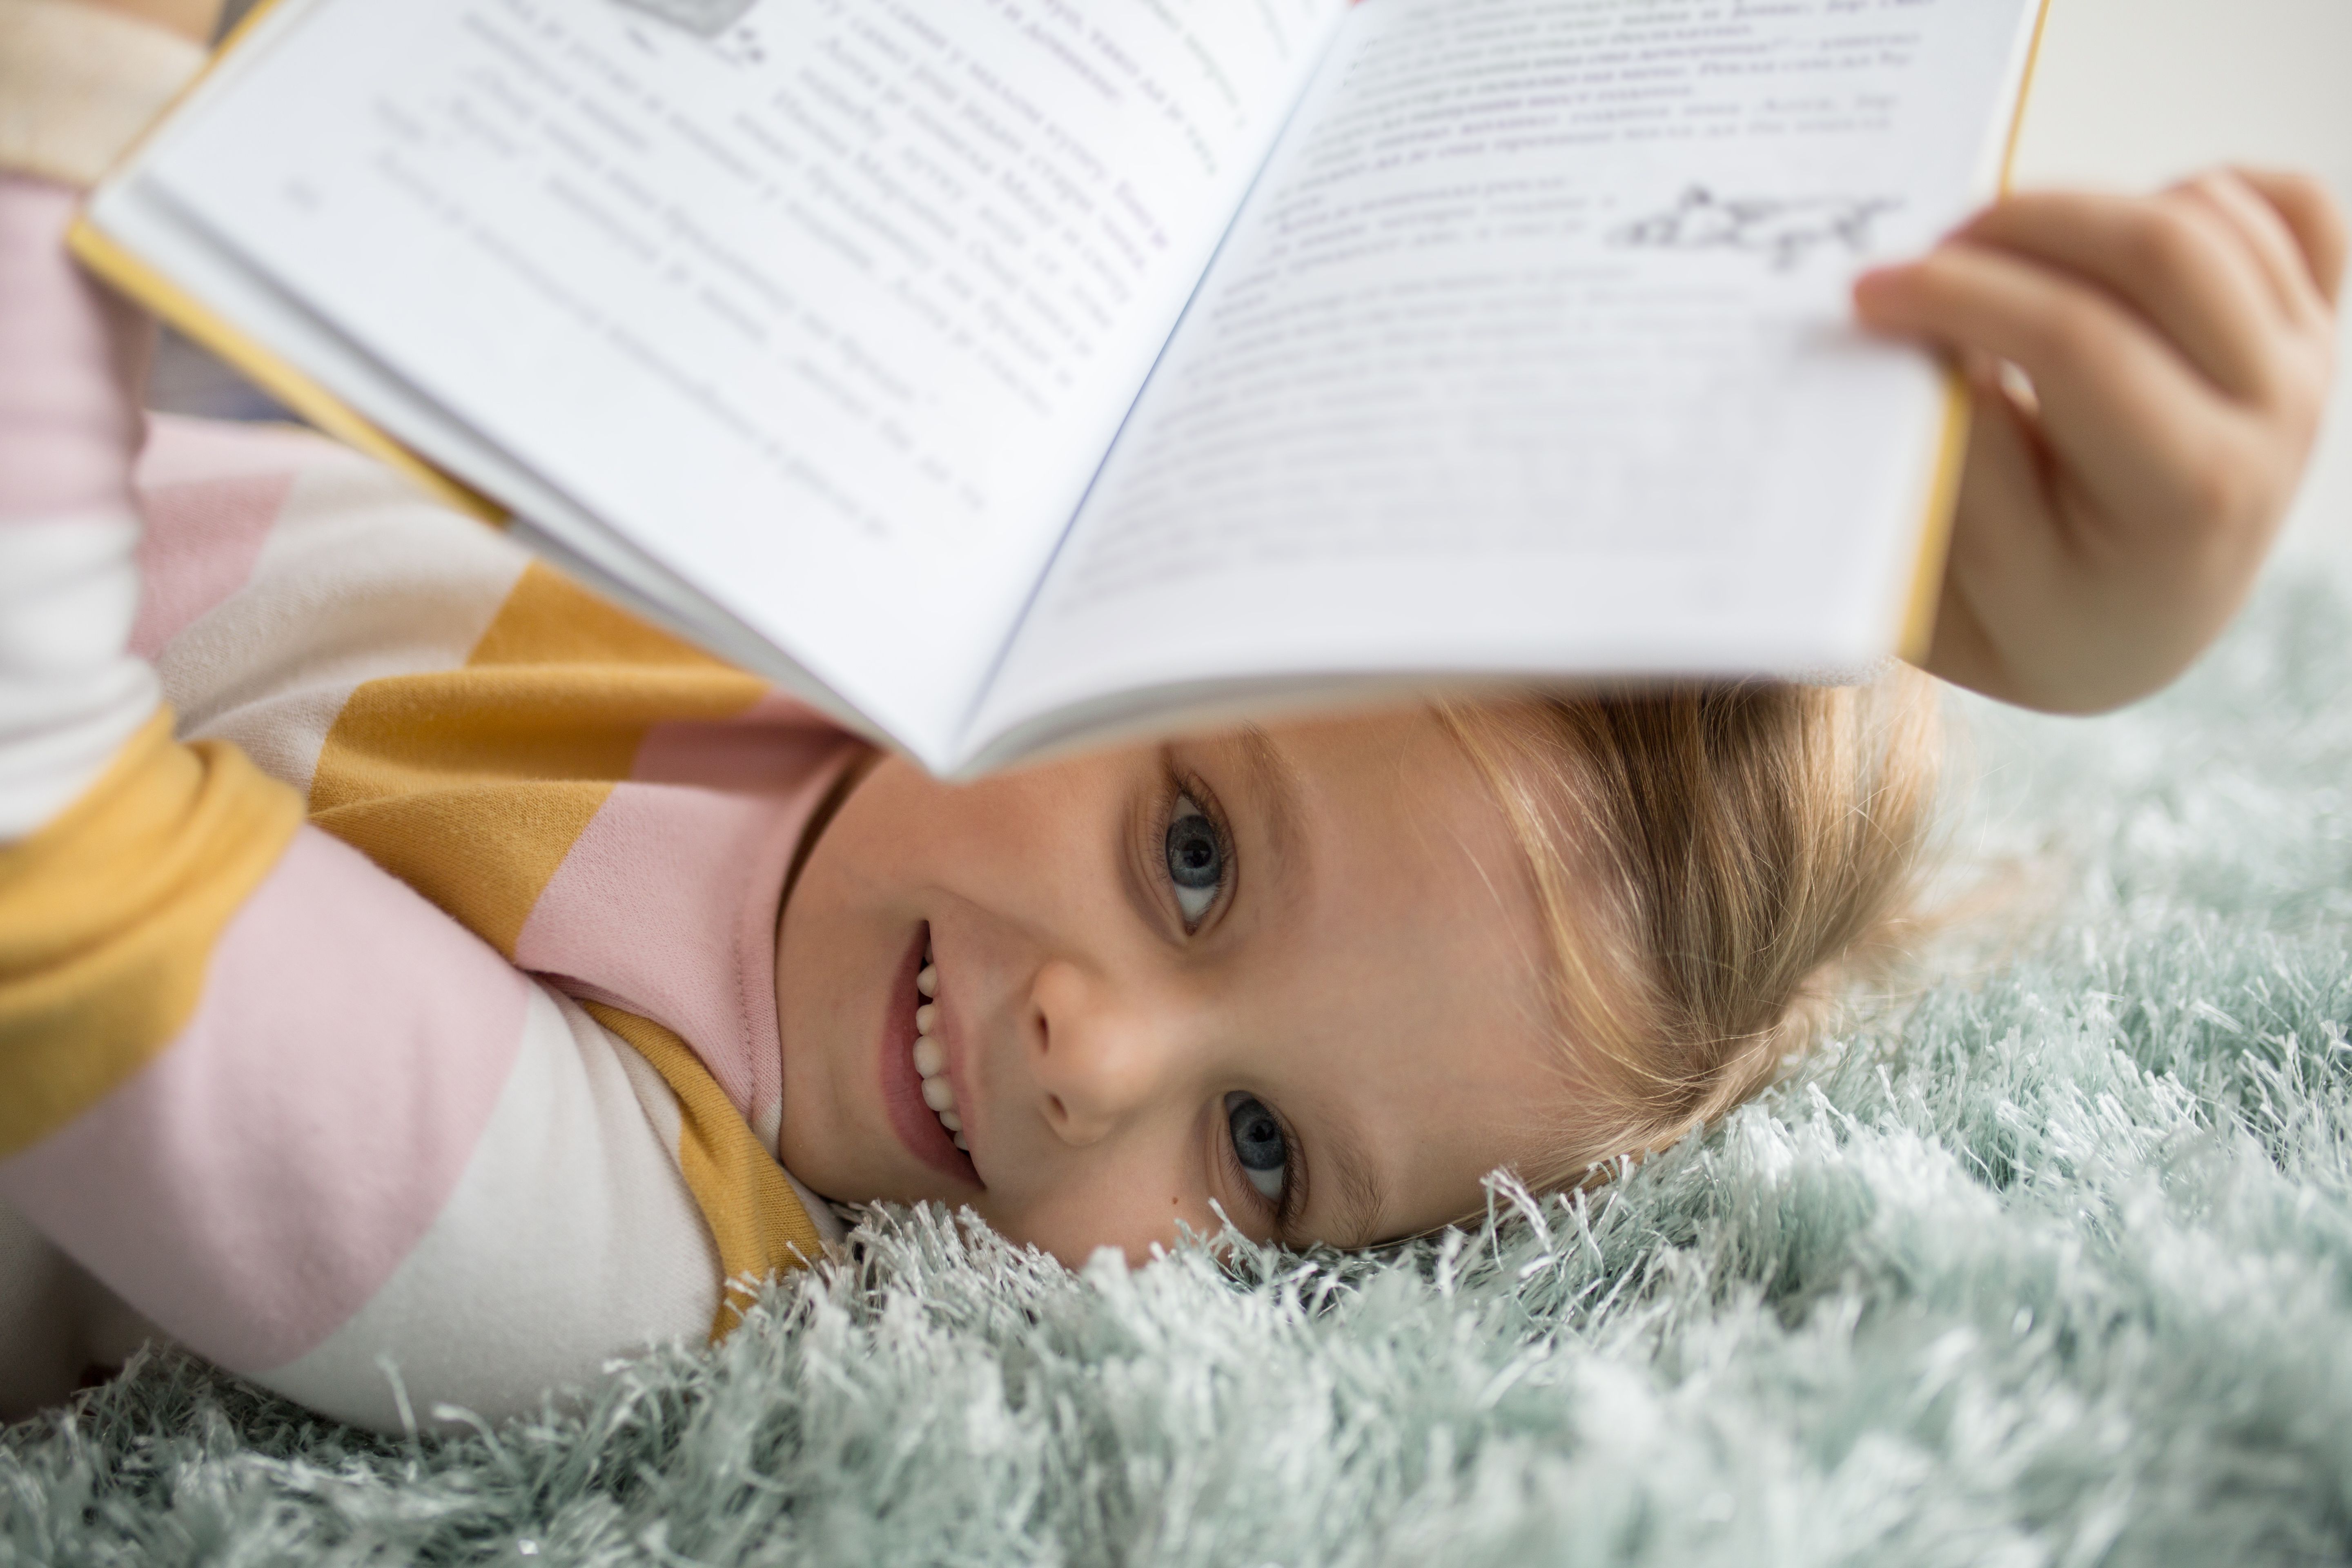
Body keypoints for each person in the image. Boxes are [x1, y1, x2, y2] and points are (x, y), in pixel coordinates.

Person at [0, 0, 2341, 1430]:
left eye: (1265, 1161)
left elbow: (48, 870)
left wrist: (79, 78)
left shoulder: (625, 1249)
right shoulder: (833, 535)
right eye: (1195, 853)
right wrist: (1900, 552)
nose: (1092, 1063)